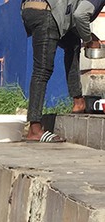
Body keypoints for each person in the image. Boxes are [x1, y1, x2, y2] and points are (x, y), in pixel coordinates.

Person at [22, 0, 82, 142]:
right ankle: (34, 129)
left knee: (72, 43)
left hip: (31, 10)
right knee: (42, 70)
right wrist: (88, 35)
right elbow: (80, 13)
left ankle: (78, 101)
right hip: (46, 13)